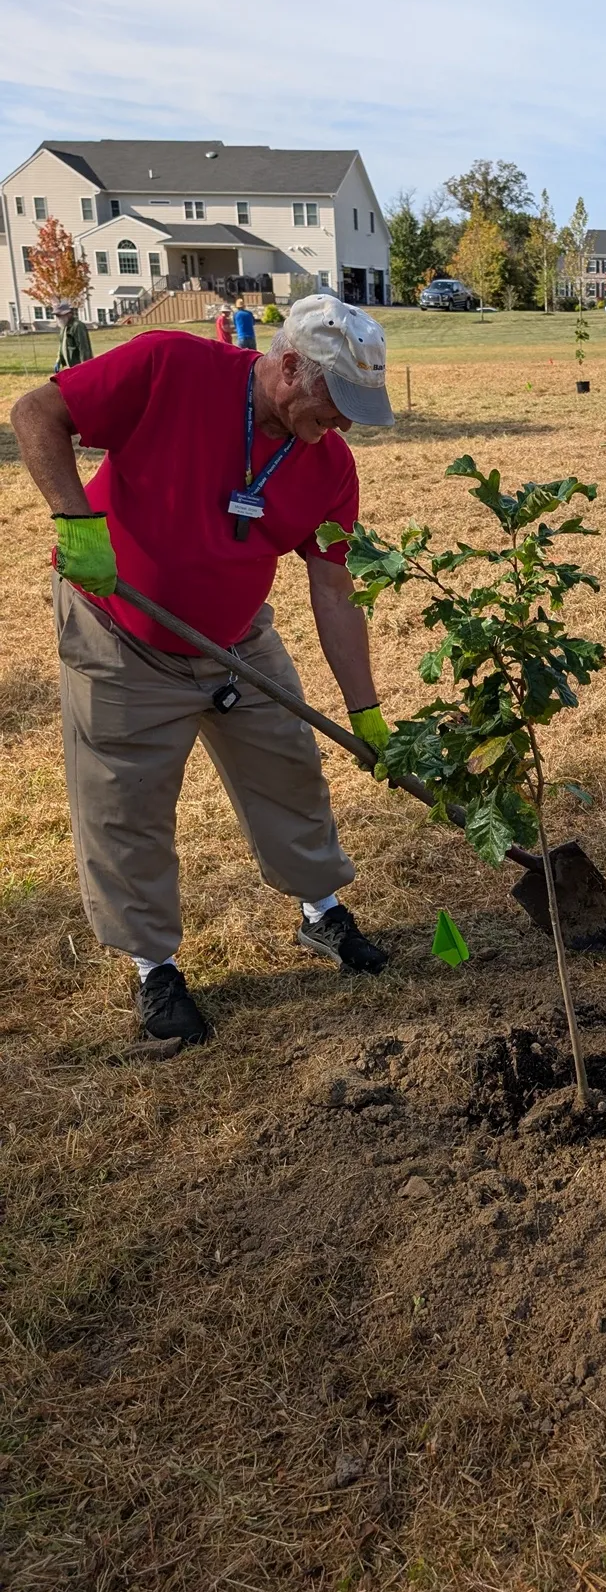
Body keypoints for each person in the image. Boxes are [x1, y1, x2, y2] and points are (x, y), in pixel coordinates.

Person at [11, 294, 397, 1055]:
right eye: (337, 402)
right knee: (125, 803)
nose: (346, 423)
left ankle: (321, 911)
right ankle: (153, 965)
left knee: (288, 769)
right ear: (290, 366)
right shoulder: (171, 367)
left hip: (234, 639)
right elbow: (35, 413)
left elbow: (333, 587)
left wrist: (366, 712)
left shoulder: (328, 465)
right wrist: (73, 518)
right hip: (120, 631)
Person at [52, 299, 93, 369]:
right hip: (70, 367)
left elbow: (84, 348)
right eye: (57, 315)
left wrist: (85, 366)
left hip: (78, 366)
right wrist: (58, 360)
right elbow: (61, 345)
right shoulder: (64, 326)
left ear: (69, 314)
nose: (58, 318)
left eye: (60, 315)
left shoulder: (77, 326)